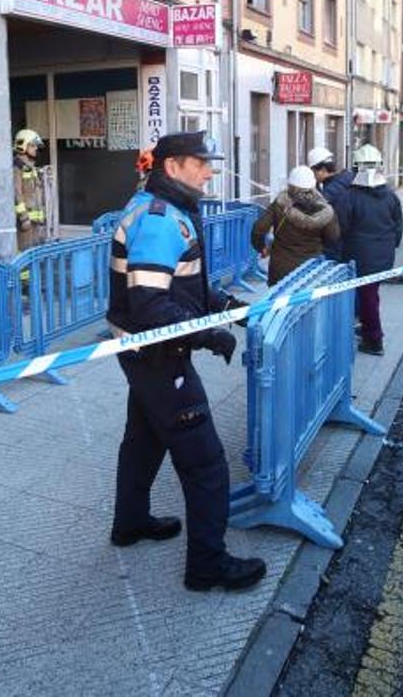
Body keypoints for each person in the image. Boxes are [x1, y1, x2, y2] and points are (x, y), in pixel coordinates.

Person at [105, 130, 267, 592]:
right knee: (207, 464)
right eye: (201, 163)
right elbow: (151, 305)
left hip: (143, 355)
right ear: (172, 166)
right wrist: (208, 335)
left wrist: (223, 305)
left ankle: (130, 523)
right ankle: (207, 567)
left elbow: (180, 285)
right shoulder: (159, 219)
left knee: (144, 441)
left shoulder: (158, 208)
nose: (210, 171)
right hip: (159, 356)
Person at [336, 157, 403, 356]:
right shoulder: (391, 196)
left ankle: (374, 339)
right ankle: (367, 328)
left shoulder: (349, 197)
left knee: (368, 297)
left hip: (360, 256)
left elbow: (341, 228)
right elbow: (398, 227)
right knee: (370, 295)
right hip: (383, 255)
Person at [250, 165, 341, 285]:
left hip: (281, 268)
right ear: (313, 185)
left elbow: (259, 229)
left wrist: (261, 247)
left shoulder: (279, 204)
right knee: (308, 302)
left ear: (290, 185)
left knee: (279, 302)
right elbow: (333, 237)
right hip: (311, 269)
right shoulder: (325, 210)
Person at [13, 128, 48, 250]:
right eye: (33, 146)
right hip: (26, 224)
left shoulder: (30, 166)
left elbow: (37, 194)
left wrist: (42, 217)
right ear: (23, 146)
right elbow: (16, 194)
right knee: (24, 256)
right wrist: (24, 218)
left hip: (36, 223)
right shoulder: (17, 168)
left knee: (35, 256)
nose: (36, 149)